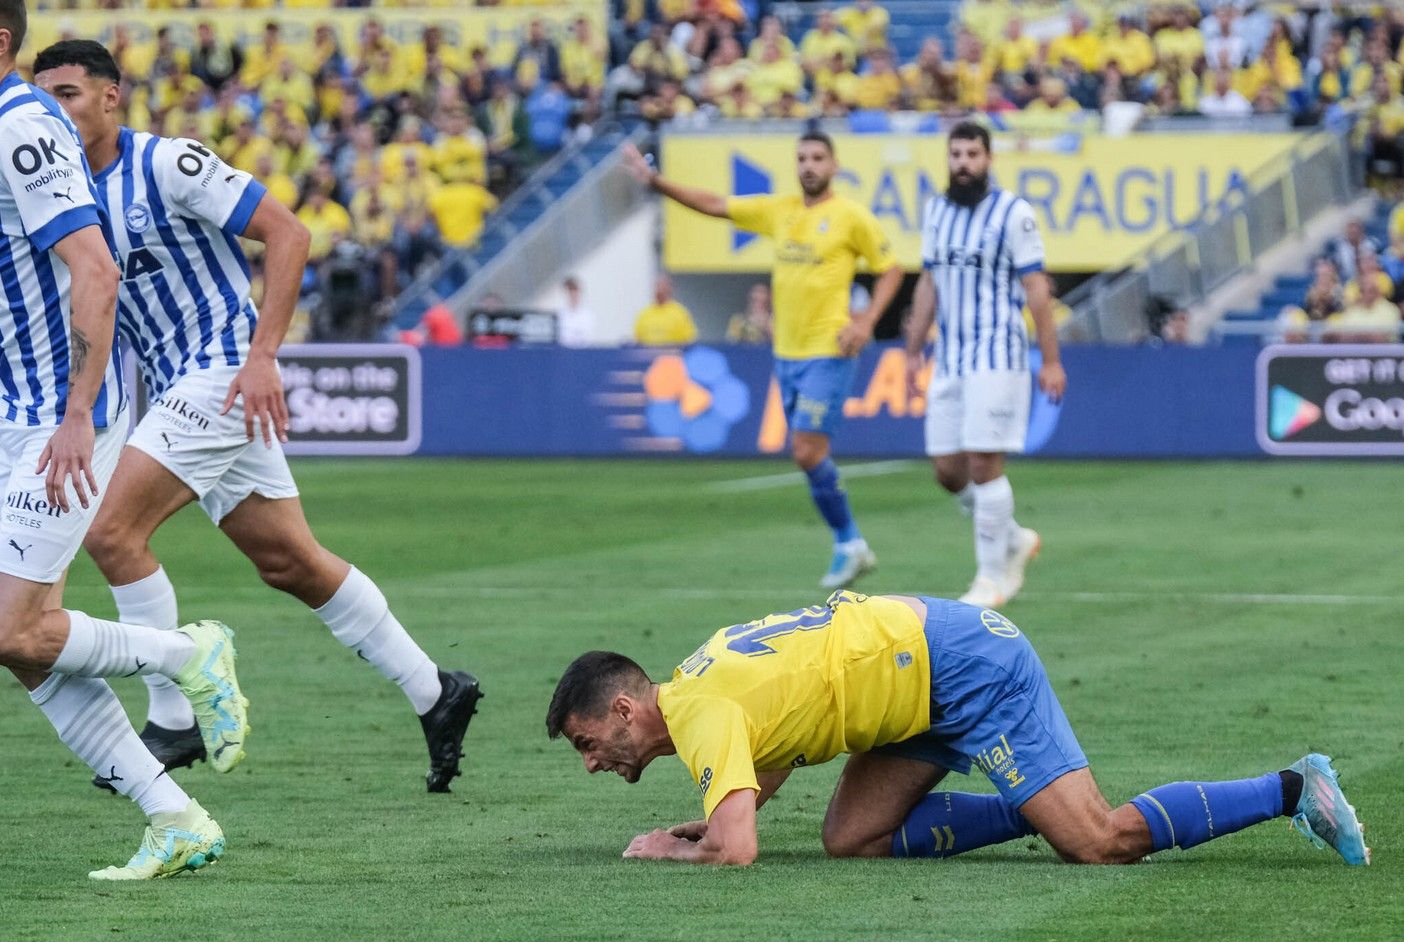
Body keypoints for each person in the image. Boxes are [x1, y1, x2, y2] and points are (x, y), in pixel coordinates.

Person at [32, 40, 482, 797]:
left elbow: (290, 233)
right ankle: (436, 692)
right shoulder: (61, 198)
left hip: (223, 374)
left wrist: (264, 355)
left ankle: (173, 714)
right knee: (291, 563)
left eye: (70, 94)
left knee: (110, 531)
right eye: (45, 101)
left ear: (112, 97)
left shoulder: (168, 164)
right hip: (180, 390)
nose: (57, 113)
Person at [0, 0, 247, 880]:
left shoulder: (24, 128)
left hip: (58, 418)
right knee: (23, 646)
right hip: (2, 414)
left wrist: (77, 414)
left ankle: (188, 654)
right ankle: (174, 817)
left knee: (8, 629)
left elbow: (94, 269)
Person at [546, 590, 1370, 868]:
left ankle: (1296, 788)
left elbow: (738, 854)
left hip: (962, 666)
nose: (592, 764)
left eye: (588, 743)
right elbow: (770, 754)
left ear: (625, 711)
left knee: (1099, 842)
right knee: (851, 839)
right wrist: (731, 805)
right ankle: (1029, 802)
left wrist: (678, 847)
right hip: (909, 678)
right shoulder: (700, 681)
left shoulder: (702, 712)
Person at [623, 132, 903, 589]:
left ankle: (849, 541)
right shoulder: (781, 211)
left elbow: (890, 268)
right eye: (802, 158)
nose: (808, 165)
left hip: (829, 350)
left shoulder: (850, 217)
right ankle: (849, 543)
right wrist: (656, 181)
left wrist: (867, 319)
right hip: (786, 353)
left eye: (817, 158)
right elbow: (714, 204)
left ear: (834, 166)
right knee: (808, 454)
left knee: (806, 449)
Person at [904, 121, 1065, 609]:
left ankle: (992, 578)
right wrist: (912, 346)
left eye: (972, 154)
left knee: (983, 462)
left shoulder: (1013, 213)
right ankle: (1012, 536)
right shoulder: (936, 211)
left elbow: (1037, 289)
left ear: (988, 159)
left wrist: (1051, 359)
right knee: (948, 472)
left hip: (998, 353)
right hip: (950, 357)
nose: (963, 163)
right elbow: (929, 282)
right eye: (956, 154)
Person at [632, 273, 697, 346]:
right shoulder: (644, 314)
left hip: (672, 355)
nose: (659, 291)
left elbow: (688, 340)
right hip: (648, 355)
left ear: (669, 289)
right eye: (657, 287)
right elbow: (638, 340)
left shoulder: (680, 313)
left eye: (663, 287)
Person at [556, 275, 601, 347]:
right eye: (570, 292)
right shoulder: (560, 315)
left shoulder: (588, 315)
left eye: (575, 291)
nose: (573, 295)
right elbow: (561, 337)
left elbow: (587, 337)